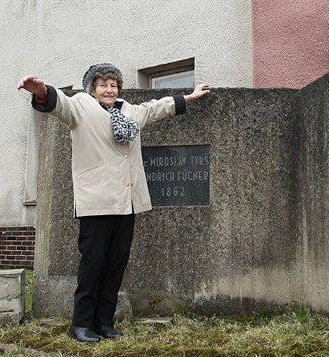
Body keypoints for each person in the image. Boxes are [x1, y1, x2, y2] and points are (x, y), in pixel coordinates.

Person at [17, 63, 209, 343]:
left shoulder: (130, 111)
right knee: (92, 266)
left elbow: (156, 107)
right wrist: (42, 91)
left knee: (115, 266)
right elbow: (61, 105)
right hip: (97, 202)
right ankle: (80, 324)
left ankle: (104, 322)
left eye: (114, 84)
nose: (109, 89)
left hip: (127, 202)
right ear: (92, 88)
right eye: (103, 84)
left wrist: (189, 97)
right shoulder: (82, 106)